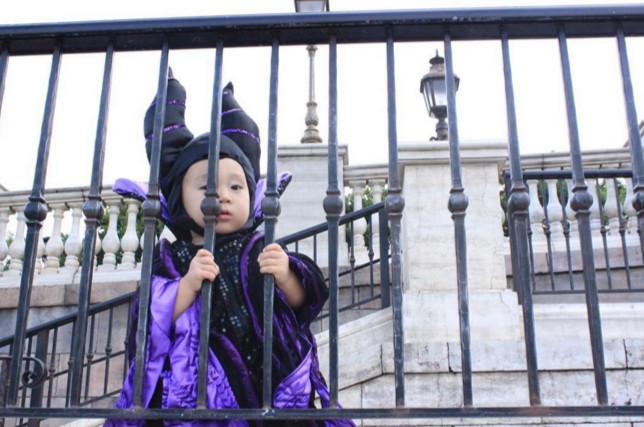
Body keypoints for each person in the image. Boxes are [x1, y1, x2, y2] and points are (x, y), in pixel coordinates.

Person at [106, 71, 354, 427]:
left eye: (236, 187)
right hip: (201, 396)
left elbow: (305, 300)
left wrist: (286, 275)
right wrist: (186, 286)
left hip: (270, 389)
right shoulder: (172, 259)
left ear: (252, 195)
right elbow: (147, 321)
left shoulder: (260, 247)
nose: (222, 195)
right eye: (206, 187)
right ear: (178, 199)